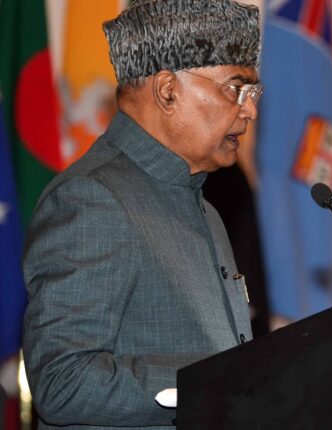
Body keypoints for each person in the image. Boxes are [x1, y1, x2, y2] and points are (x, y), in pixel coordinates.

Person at [21, 1, 261, 428]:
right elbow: (62, 381)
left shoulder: (204, 207)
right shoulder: (92, 198)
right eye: (235, 89)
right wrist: (211, 382)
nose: (249, 110)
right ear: (167, 91)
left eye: (253, 94)